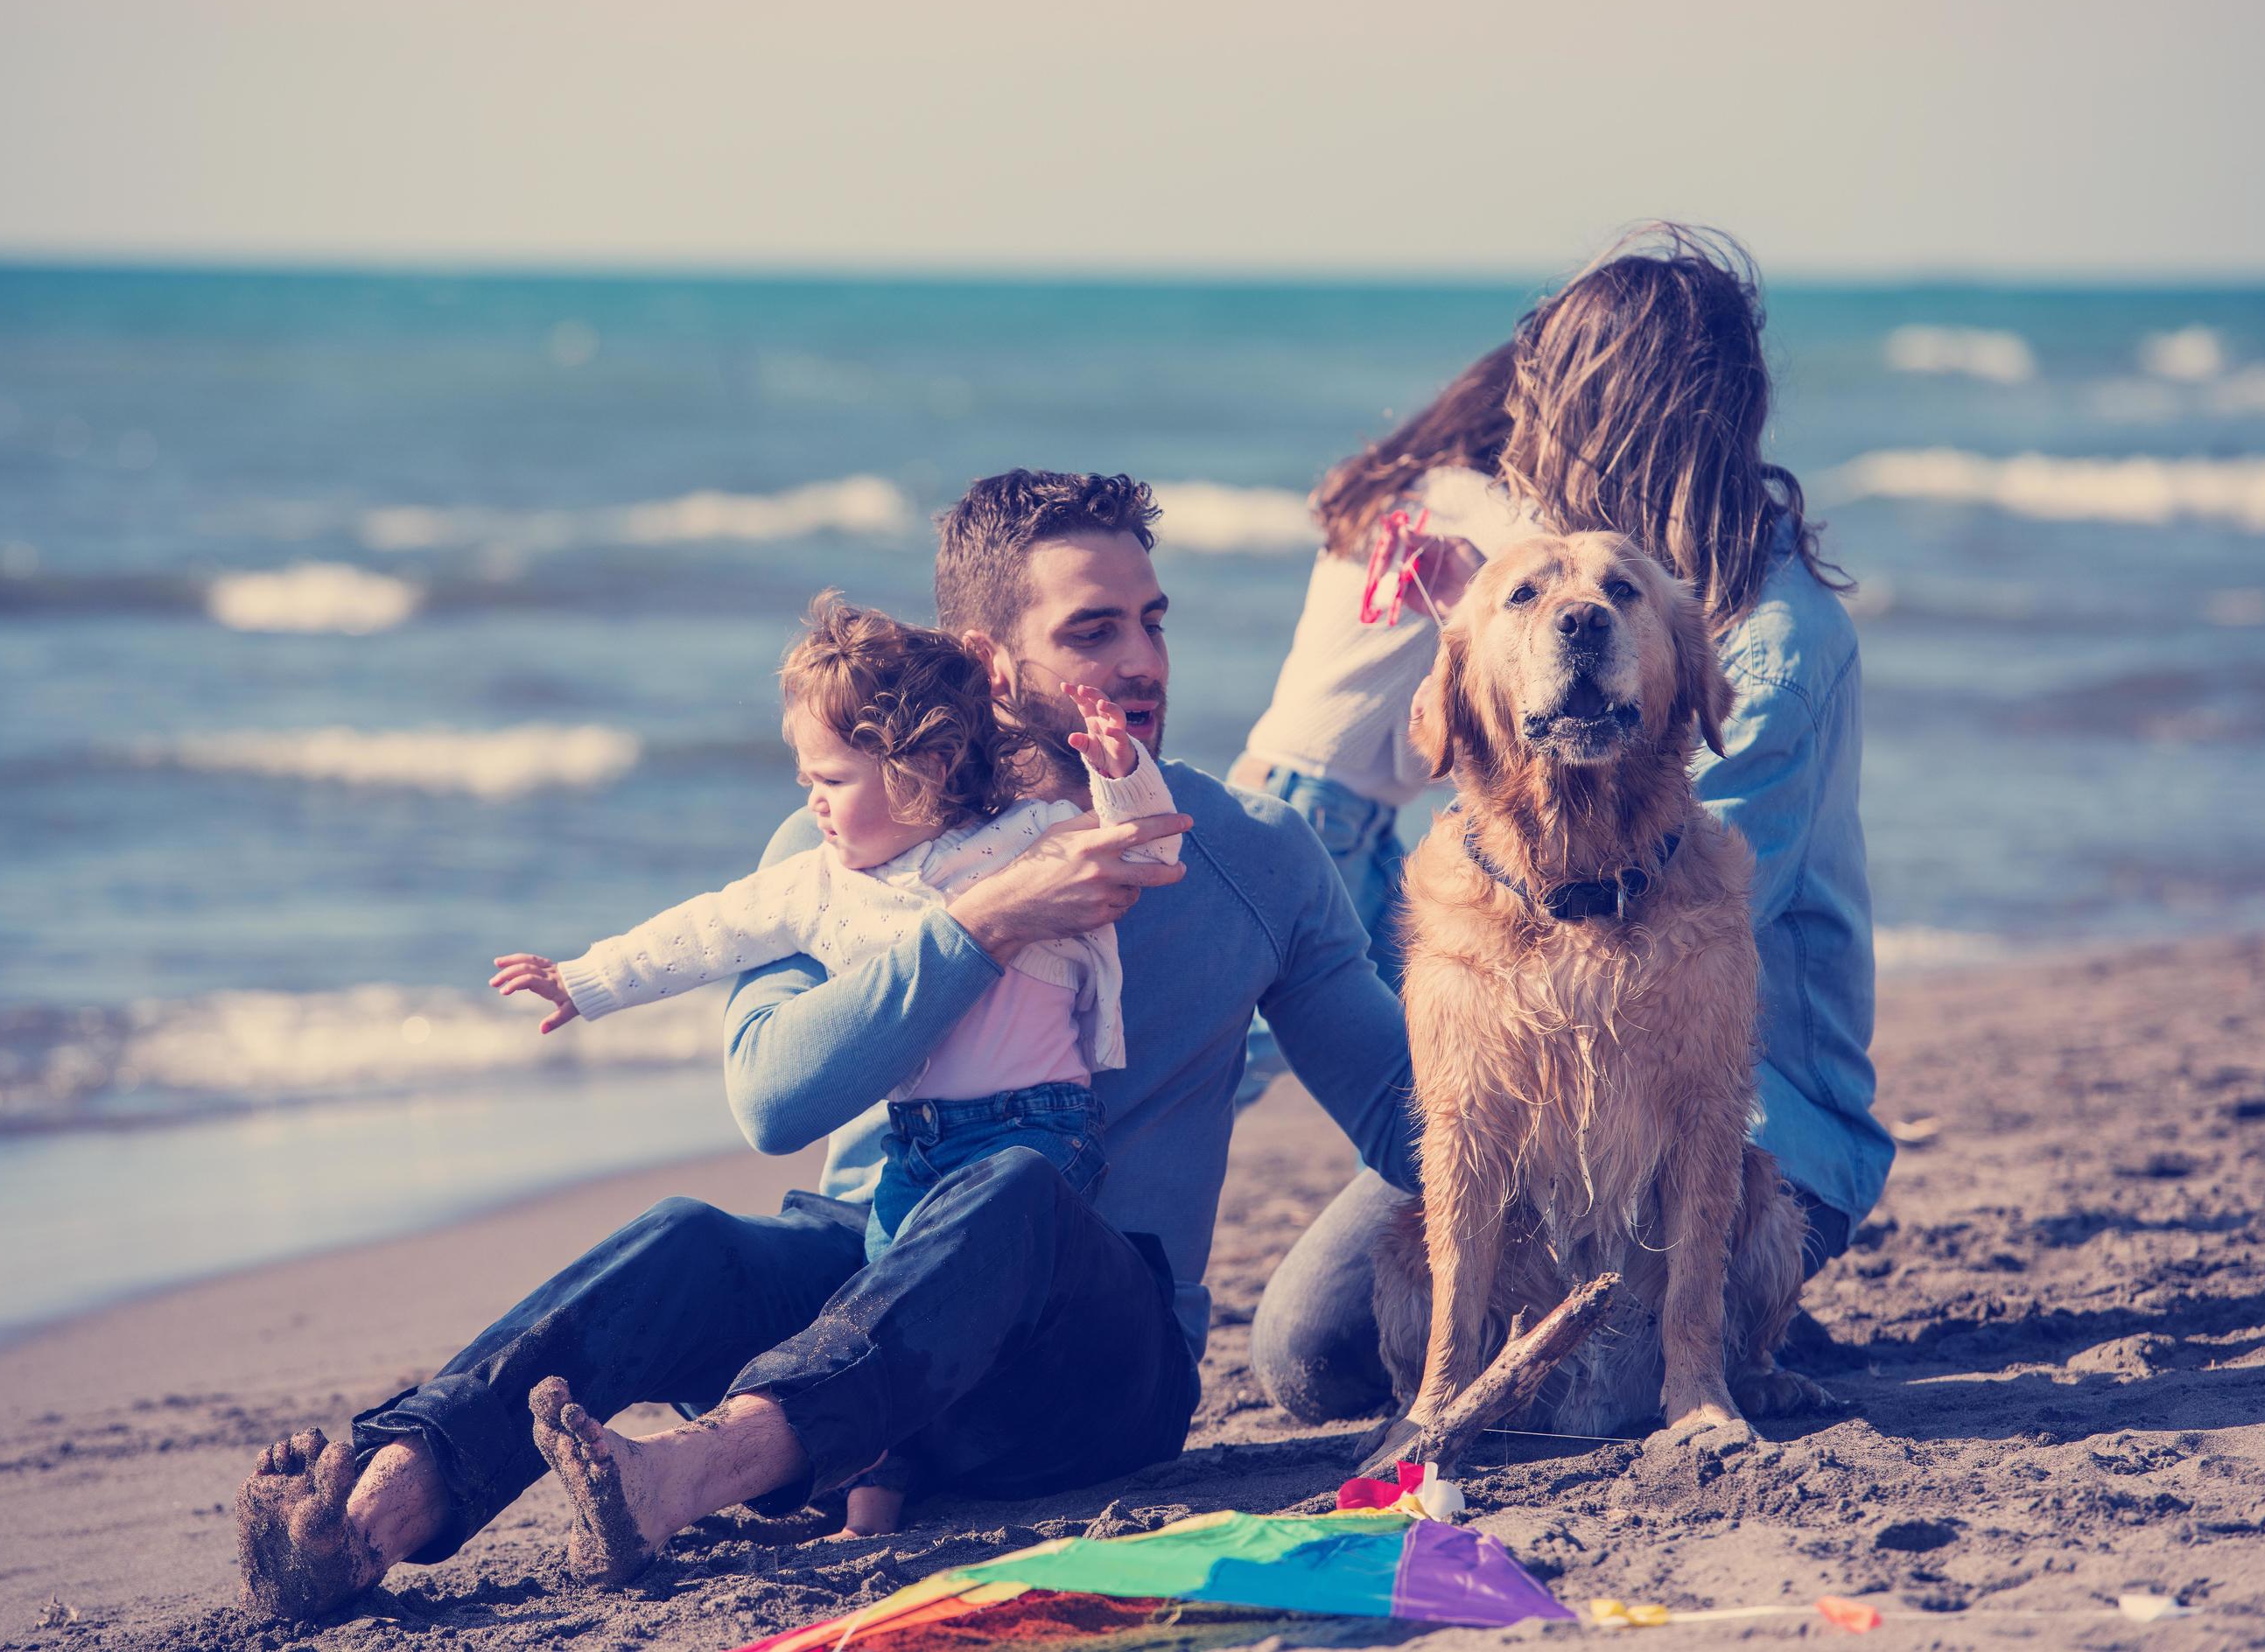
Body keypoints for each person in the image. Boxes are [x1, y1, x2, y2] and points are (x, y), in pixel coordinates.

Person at [235, 470, 1418, 1621]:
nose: (1143, 662)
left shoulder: (1253, 857)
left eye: (1152, 623)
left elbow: (1405, 1117)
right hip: (862, 1298)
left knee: (1015, 1191)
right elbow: (773, 1101)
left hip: (1093, 1370)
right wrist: (982, 925)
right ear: (985, 665)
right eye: (1094, 630)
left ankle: (697, 1473)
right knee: (687, 1242)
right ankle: (376, 1508)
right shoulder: (844, 846)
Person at [1251, 225, 1891, 1424]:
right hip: (1547, 1084)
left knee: (1339, 1338)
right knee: (1310, 1350)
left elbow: (1621, 900)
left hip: (1749, 1118)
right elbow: (1506, 873)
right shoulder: (1549, 579)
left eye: (1542, 402)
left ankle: (1699, 1329)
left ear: (1604, 417)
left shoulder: (1767, 644)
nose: (1517, 432)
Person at [488, 594, 1178, 1266]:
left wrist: (1120, 771)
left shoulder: (1028, 839)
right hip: (914, 1144)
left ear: (927, 768)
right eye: (805, 781)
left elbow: (1147, 850)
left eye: (832, 780)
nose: (812, 802)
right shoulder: (817, 883)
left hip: (1040, 1129)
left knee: (986, 1254)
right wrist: (585, 980)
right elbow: (704, 932)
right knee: (889, 1281)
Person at [1229, 346, 1522, 1097]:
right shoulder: (1456, 496)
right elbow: (1541, 548)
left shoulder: (1392, 489)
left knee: (1429, 1026)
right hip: (1317, 802)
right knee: (1247, 1041)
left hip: (1329, 800)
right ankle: (1113, 1160)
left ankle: (1430, 1190)